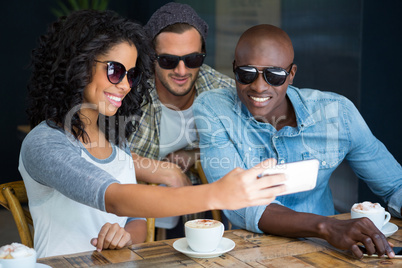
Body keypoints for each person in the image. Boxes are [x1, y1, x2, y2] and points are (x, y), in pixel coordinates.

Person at [19, 11, 285, 258]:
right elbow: (117, 199)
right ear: (78, 65)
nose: (125, 85)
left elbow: (134, 220)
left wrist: (124, 237)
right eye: (115, 71)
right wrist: (217, 193)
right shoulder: (45, 142)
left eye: (131, 74)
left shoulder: (114, 141)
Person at [193, 24, 402, 259]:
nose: (259, 86)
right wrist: (326, 227)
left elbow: (395, 185)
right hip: (252, 253)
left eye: (274, 76)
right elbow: (239, 203)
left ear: (291, 74)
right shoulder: (213, 109)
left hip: (331, 251)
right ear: (234, 69)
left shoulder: (337, 114)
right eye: (246, 74)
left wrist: (330, 231)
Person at [127, 2, 235, 232]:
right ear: (151, 56)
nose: (182, 71)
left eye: (193, 59)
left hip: (199, 213)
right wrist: (165, 170)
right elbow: (100, 155)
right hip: (132, 214)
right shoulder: (127, 91)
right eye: (168, 61)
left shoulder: (223, 92)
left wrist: (194, 155)